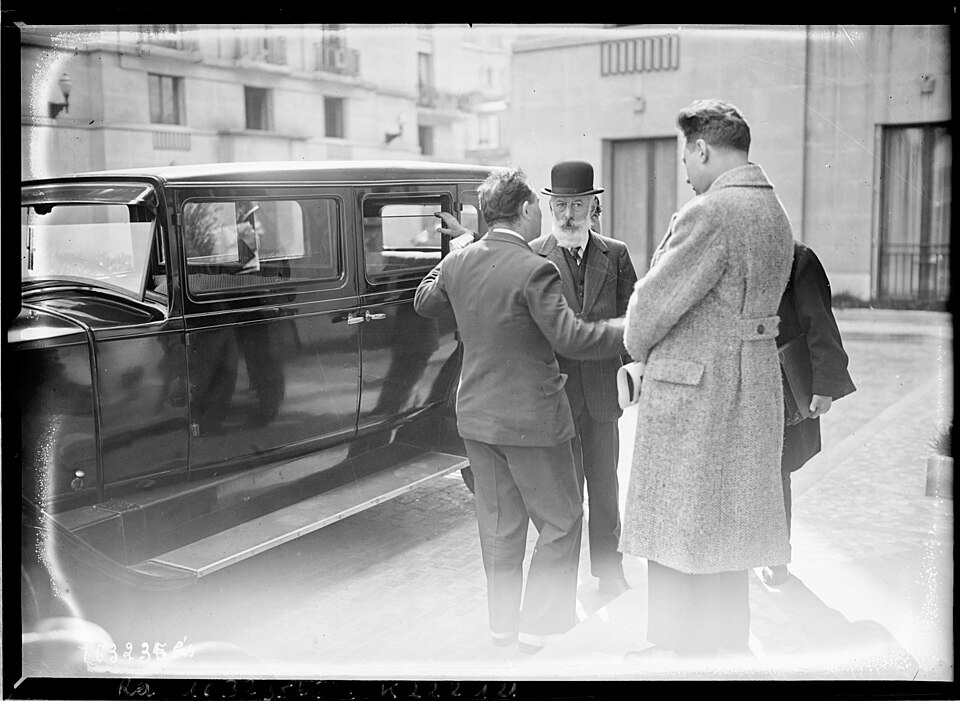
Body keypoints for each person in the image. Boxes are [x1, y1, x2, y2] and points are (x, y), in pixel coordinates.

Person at [414, 168, 626, 654]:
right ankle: (539, 628)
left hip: (478, 420)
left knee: (499, 529)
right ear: (527, 210)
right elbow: (572, 337)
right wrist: (630, 329)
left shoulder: (460, 264)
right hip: (533, 422)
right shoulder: (535, 268)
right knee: (563, 520)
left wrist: (453, 254)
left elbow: (423, 301)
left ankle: (502, 630)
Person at [618, 98, 794, 658]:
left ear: (701, 148)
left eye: (686, 158)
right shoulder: (773, 210)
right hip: (752, 381)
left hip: (697, 387)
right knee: (729, 525)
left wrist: (636, 346)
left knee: (678, 519)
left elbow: (651, 305)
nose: (687, 172)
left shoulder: (711, 213)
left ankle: (675, 646)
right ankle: (722, 645)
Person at [529, 160, 638, 598]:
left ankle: (610, 570)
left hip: (602, 389)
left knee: (605, 483)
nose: (568, 214)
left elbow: (633, 317)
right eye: (561, 204)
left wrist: (632, 372)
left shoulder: (617, 252)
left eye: (577, 204)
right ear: (550, 205)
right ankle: (565, 576)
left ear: (593, 205)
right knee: (565, 491)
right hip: (555, 393)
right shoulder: (533, 254)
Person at [762, 240, 856, 587]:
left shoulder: (796, 259)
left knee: (776, 470)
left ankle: (775, 554)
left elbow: (819, 321)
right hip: (735, 387)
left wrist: (825, 386)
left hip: (780, 387)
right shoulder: (724, 250)